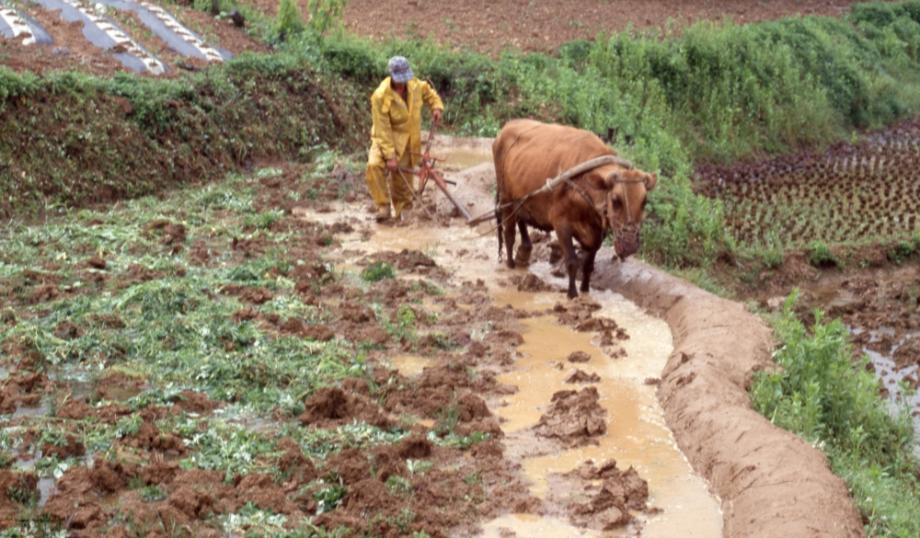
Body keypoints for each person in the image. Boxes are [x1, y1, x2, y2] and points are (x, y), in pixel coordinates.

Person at [365, 56, 444, 222]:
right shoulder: (380, 96)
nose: (402, 83)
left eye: (404, 79)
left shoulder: (415, 85)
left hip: (408, 139)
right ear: (392, 76)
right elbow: (382, 129)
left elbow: (429, 93)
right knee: (374, 166)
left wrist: (436, 106)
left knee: (402, 181)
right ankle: (383, 206)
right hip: (384, 138)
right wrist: (390, 156)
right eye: (399, 80)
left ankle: (404, 211)